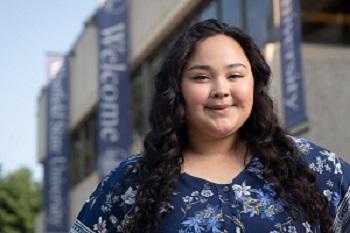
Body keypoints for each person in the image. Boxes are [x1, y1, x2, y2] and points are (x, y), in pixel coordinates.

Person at [70, 19, 350, 233]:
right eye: (201, 77)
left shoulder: (313, 168)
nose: (221, 90)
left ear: (254, 83)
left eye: (235, 75)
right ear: (177, 89)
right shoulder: (132, 181)